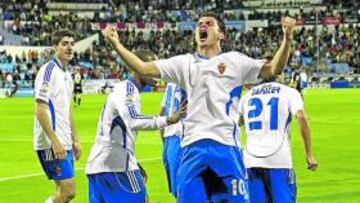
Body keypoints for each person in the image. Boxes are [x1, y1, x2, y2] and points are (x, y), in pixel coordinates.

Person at [102, 11, 296, 202]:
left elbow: (274, 68)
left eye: (209, 23)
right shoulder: (183, 63)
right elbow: (143, 68)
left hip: (226, 149)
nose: (202, 26)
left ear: (221, 34)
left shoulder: (236, 61)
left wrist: (286, 39)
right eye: (199, 24)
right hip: (192, 150)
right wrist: (116, 44)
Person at [85, 50, 186, 203]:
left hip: (99, 167)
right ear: (136, 67)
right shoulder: (128, 90)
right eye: (150, 66)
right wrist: (168, 119)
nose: (156, 71)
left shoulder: (124, 90)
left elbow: (117, 133)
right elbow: (133, 120)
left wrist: (135, 162)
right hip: (117, 167)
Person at [238, 76, 318, 203]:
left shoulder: (247, 97)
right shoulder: (289, 92)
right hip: (278, 160)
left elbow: (237, 123)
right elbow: (301, 118)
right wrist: (309, 154)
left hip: (250, 161)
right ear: (278, 74)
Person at [33, 29, 81, 203]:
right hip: (51, 143)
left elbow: (67, 109)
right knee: (69, 191)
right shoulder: (48, 71)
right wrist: (55, 141)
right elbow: (40, 108)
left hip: (64, 141)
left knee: (61, 191)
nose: (69, 47)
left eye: (72, 44)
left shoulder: (67, 75)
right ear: (55, 47)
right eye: (64, 43)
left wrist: (74, 139)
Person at [159, 82, 187, 197]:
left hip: (180, 135)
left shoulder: (186, 75)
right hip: (169, 136)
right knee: (175, 186)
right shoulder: (171, 82)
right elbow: (163, 109)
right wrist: (162, 132)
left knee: (181, 187)